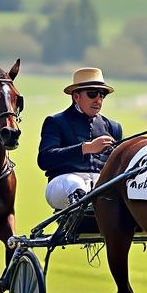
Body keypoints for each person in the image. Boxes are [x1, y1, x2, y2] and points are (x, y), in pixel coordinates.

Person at [38, 67, 123, 210]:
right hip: (62, 184)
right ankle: (82, 208)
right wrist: (85, 148)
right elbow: (44, 159)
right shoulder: (56, 122)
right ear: (76, 96)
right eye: (92, 94)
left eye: (102, 95)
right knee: (74, 183)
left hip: (100, 185)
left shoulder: (114, 127)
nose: (98, 100)